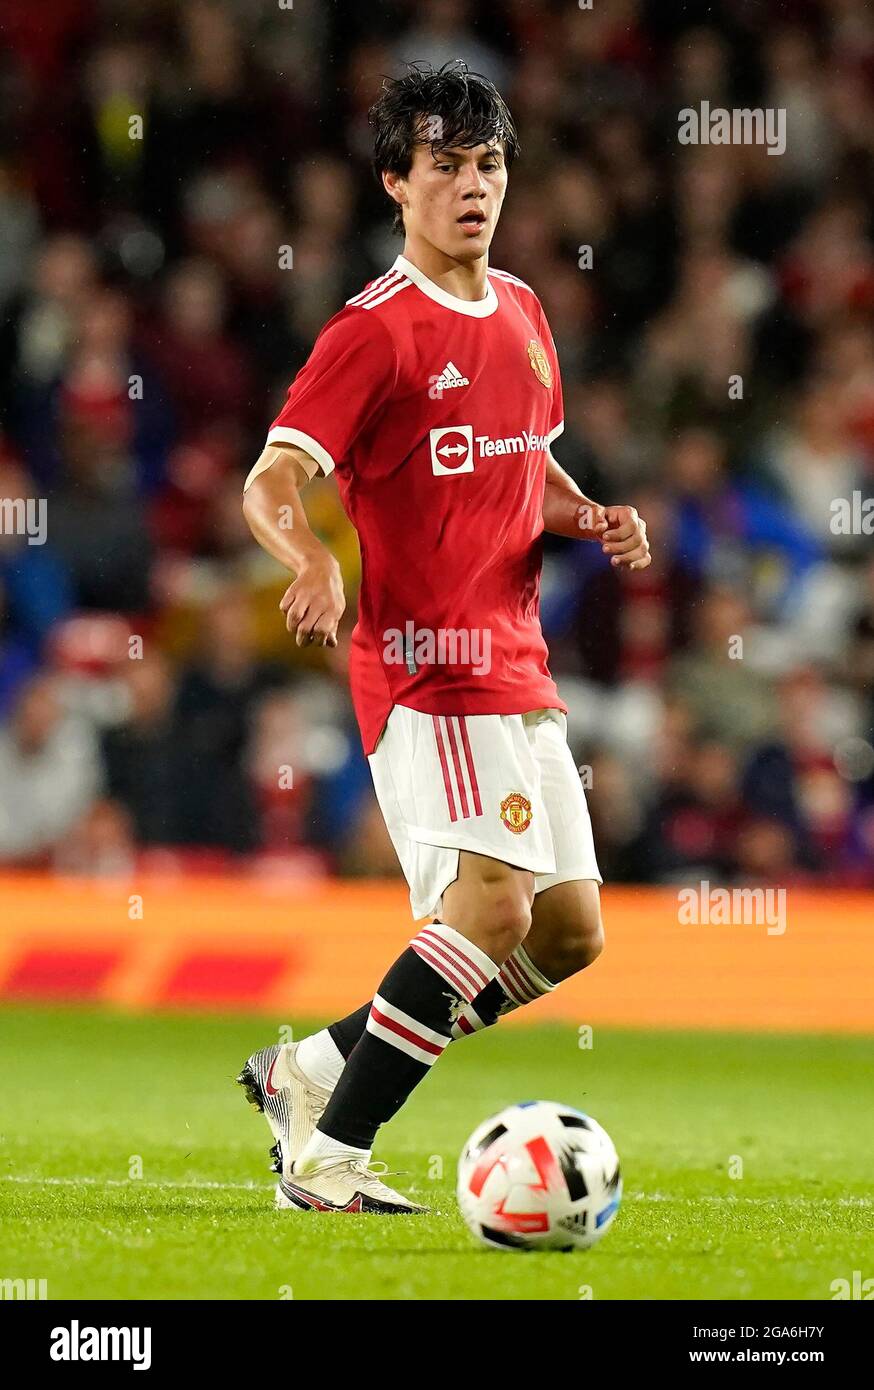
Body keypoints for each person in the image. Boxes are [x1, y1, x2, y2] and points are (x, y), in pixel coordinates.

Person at [238, 62, 651, 1214]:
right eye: (445, 167)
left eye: (489, 164)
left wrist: (590, 515)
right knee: (491, 904)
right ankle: (328, 1159)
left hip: (521, 664)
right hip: (429, 667)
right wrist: (313, 555)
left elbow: (527, 464)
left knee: (567, 933)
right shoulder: (374, 334)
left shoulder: (520, 310)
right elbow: (269, 479)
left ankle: (311, 1068)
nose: (473, 186)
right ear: (395, 184)